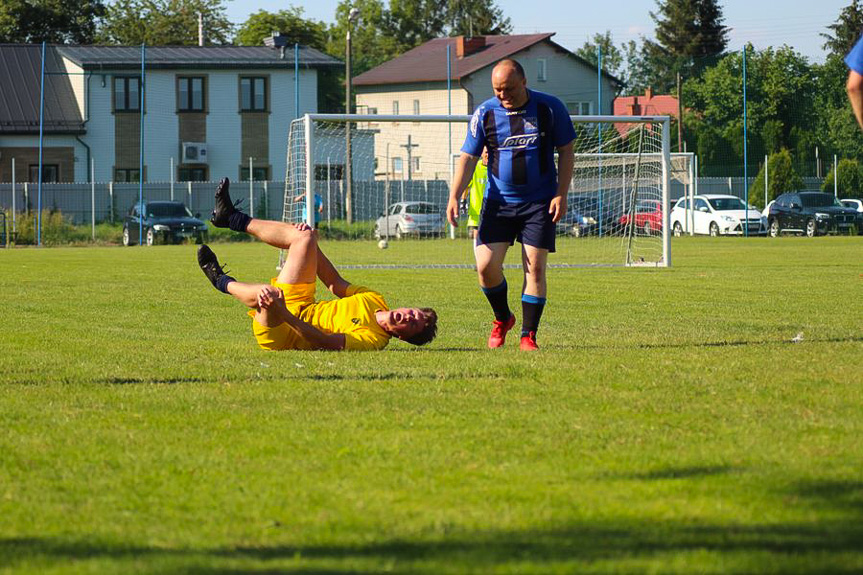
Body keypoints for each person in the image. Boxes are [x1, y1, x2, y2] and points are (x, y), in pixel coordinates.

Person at [199, 178, 437, 351]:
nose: (407, 317)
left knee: (269, 293)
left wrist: (283, 314)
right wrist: (311, 243)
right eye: (412, 313)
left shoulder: (373, 340)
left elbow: (324, 343)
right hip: (301, 301)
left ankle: (220, 280)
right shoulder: (375, 299)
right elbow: (334, 283)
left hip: (284, 333)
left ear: (403, 337)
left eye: (412, 324)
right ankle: (230, 217)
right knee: (303, 236)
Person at [447, 58, 575, 351]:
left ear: (524, 82)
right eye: (497, 90)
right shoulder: (485, 113)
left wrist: (561, 193)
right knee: (485, 268)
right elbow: (468, 157)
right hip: (498, 202)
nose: (503, 96)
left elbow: (567, 150)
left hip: (539, 202)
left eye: (509, 89)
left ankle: (528, 336)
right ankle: (503, 318)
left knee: (536, 269)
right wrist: (455, 194)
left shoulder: (550, 108)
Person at [460, 147, 488, 239]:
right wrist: (463, 201)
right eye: (486, 152)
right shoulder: (475, 167)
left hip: (493, 209)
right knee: (476, 238)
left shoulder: (495, 167)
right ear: (481, 154)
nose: (488, 155)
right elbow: (467, 185)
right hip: (476, 210)